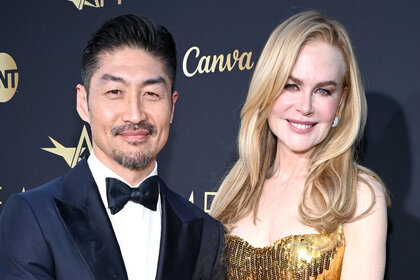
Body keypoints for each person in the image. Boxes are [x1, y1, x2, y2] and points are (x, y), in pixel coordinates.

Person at [0, 14, 225, 280]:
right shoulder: (33, 216)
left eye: (151, 94)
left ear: (173, 106)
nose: (134, 114)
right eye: (115, 92)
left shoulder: (206, 233)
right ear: (83, 103)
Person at [210, 11, 390, 280]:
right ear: (267, 88)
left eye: (323, 91)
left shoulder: (358, 196)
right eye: (291, 86)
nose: (305, 107)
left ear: (341, 101)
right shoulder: (236, 193)